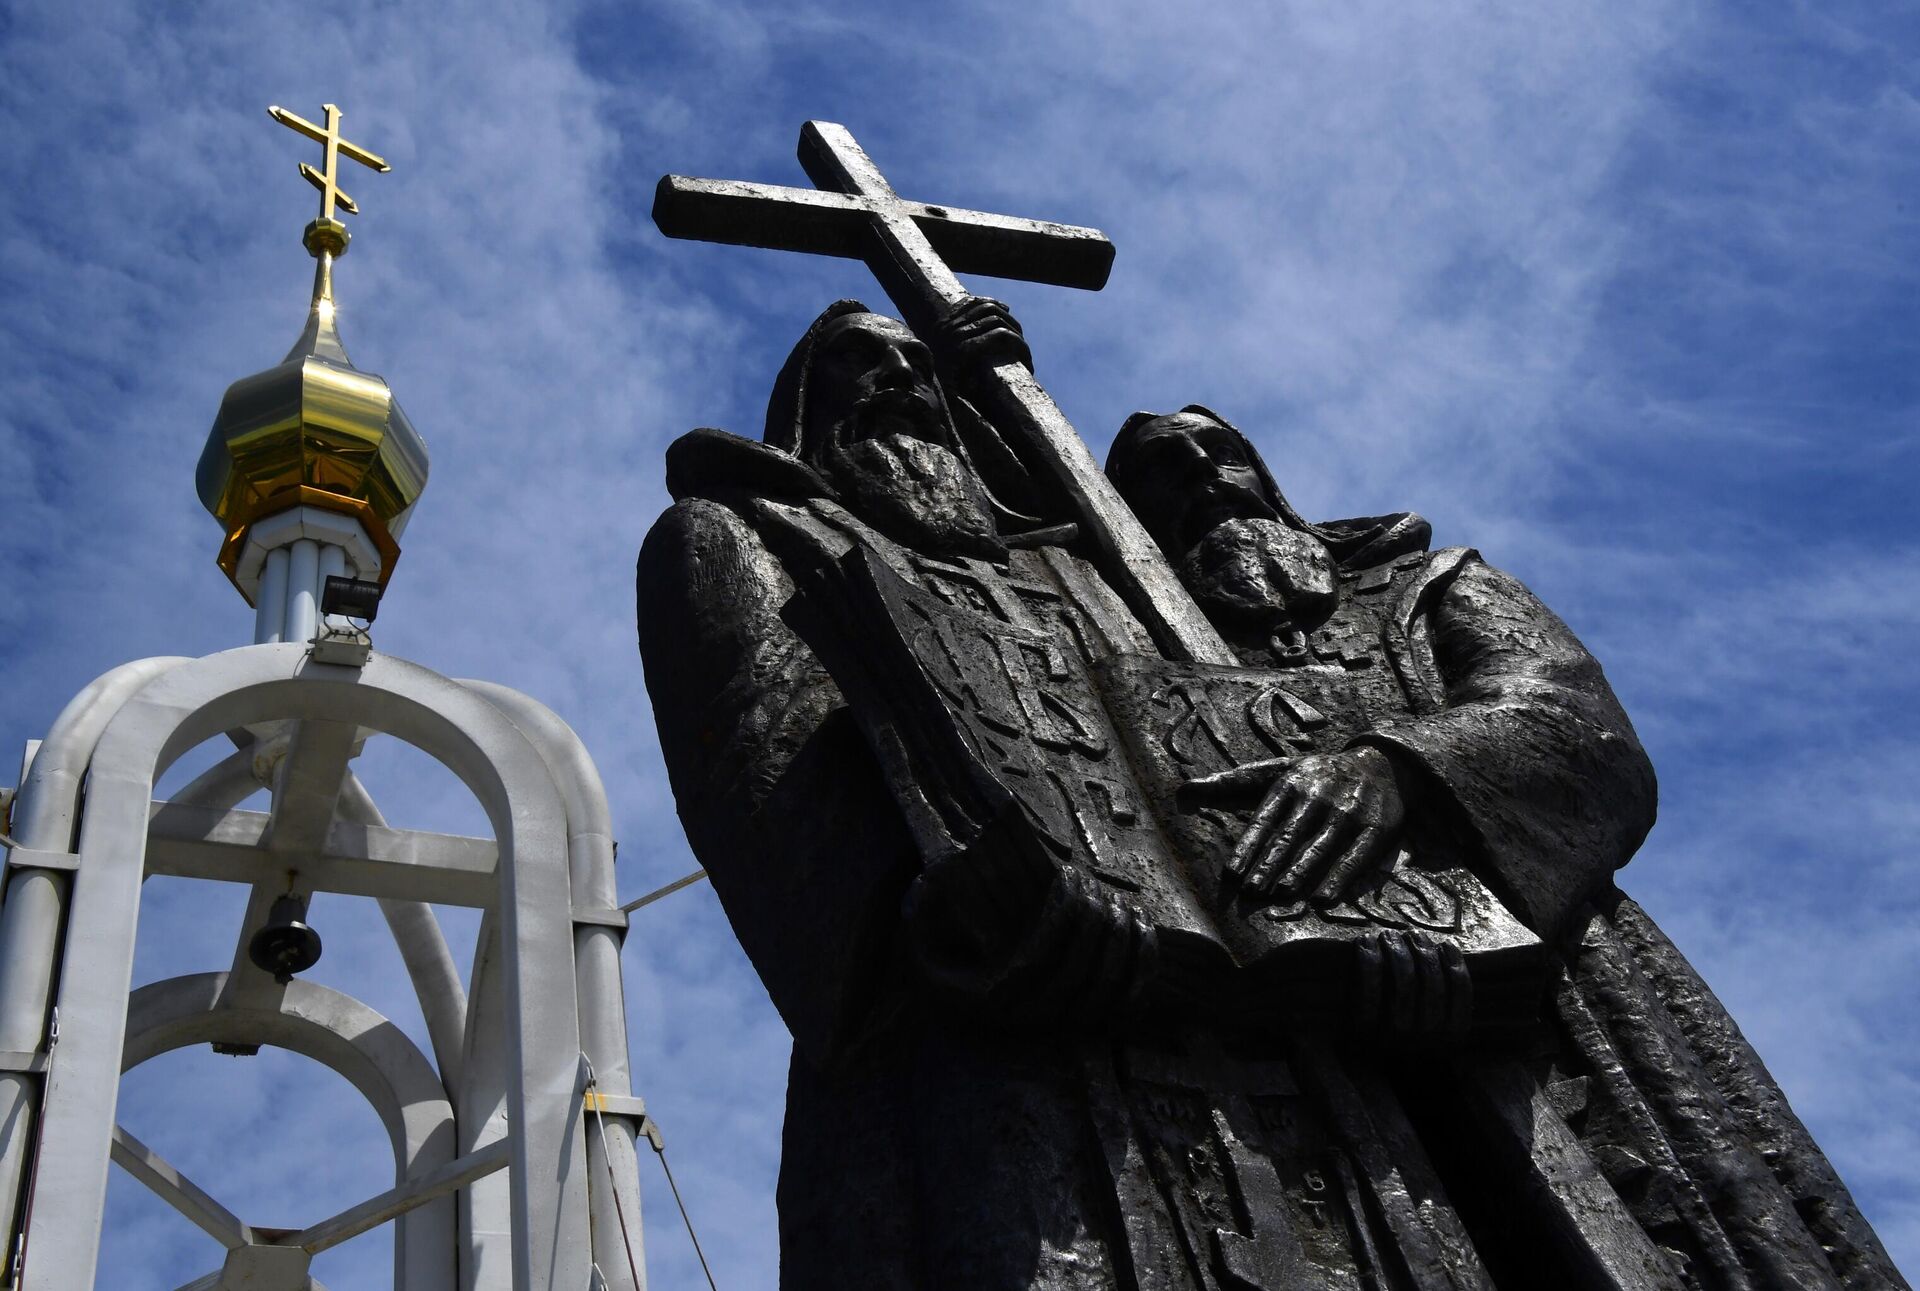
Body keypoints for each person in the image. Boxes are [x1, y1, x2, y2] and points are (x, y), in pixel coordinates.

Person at [1105, 406, 1907, 1290]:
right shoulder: (1121, 638)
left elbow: (1577, 723)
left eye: (1218, 452)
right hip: (1285, 1030)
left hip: (1554, 976)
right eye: (1165, 472)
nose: (1206, 478)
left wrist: (1398, 767)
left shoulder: (1428, 587)